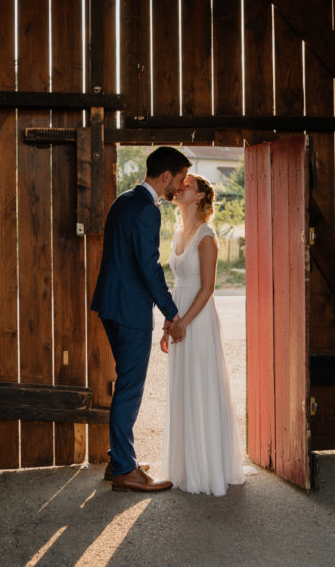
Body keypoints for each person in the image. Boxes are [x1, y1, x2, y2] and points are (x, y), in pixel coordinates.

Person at [91, 146, 191, 492]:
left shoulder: (124, 199)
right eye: (179, 179)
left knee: (125, 384)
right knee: (130, 389)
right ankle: (124, 471)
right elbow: (149, 268)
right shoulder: (148, 210)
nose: (180, 186)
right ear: (166, 175)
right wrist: (172, 312)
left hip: (110, 305)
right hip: (130, 310)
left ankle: (120, 459)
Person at [160, 173, 248, 496]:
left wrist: (184, 323)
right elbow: (176, 284)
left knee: (201, 385)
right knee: (183, 386)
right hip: (179, 316)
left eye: (188, 185)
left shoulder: (206, 236)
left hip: (198, 320)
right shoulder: (177, 233)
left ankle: (208, 467)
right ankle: (185, 465)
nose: (180, 187)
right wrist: (169, 322)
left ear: (199, 197)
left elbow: (208, 288)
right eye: (180, 184)